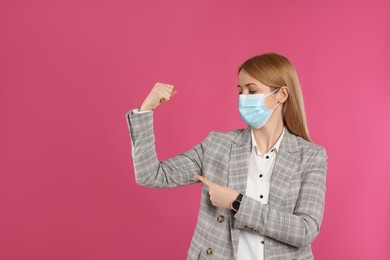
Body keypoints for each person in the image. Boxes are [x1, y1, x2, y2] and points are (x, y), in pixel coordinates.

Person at [125, 52, 328, 260]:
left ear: (282, 95)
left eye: (252, 90)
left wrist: (237, 202)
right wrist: (145, 110)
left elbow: (305, 230)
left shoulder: (311, 157)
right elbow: (151, 174)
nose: (243, 98)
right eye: (240, 91)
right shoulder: (217, 146)